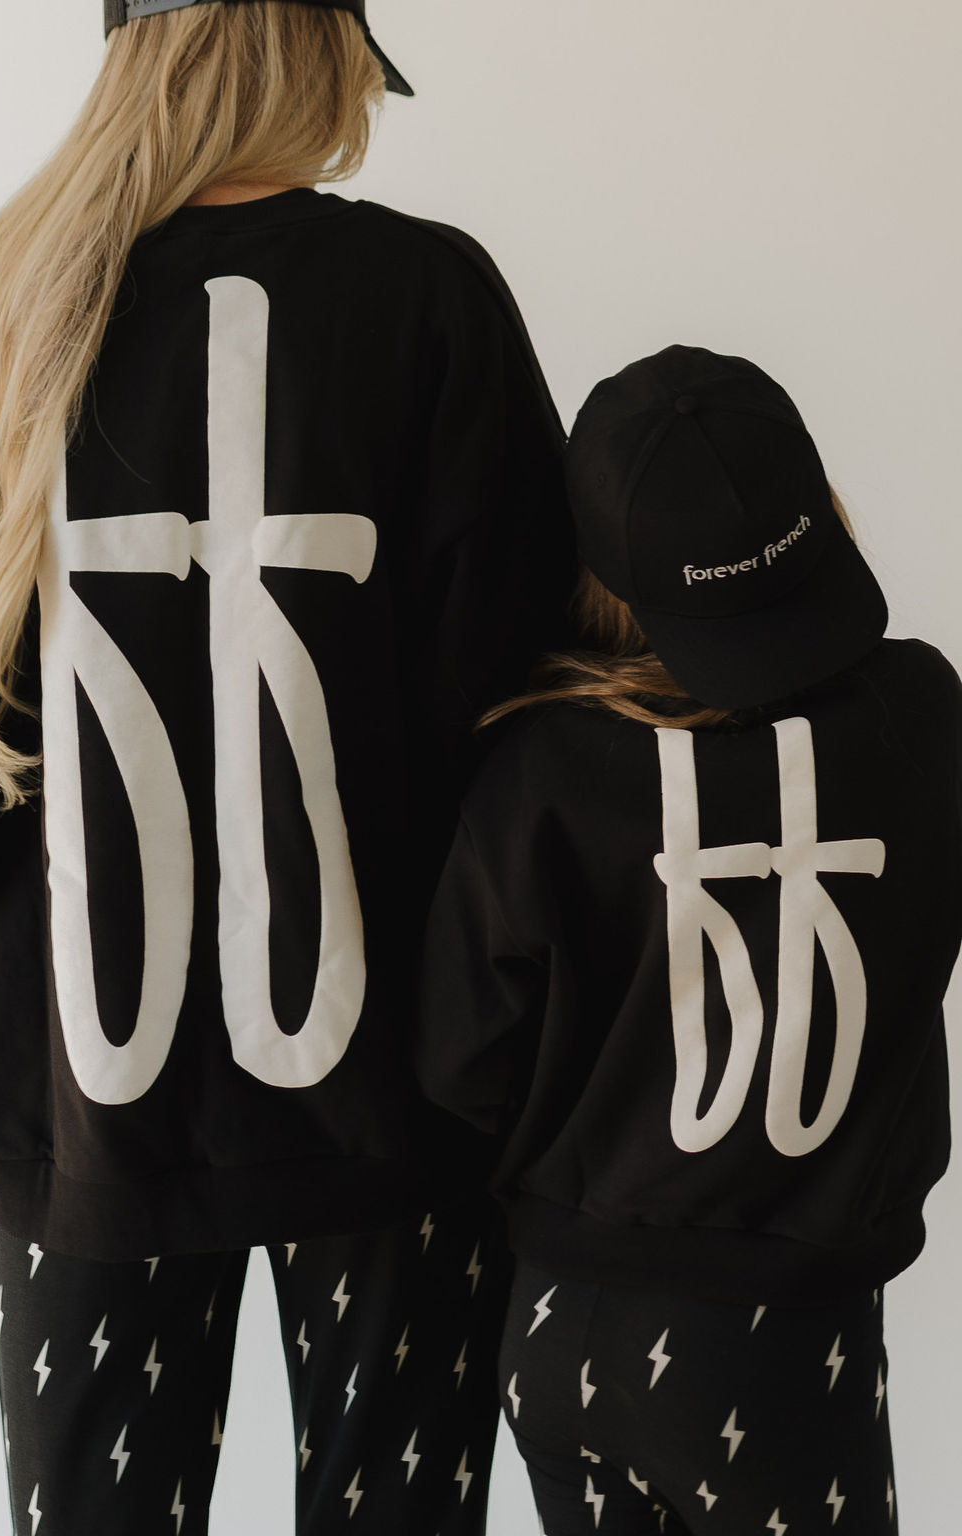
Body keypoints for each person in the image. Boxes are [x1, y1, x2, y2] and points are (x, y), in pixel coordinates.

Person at [0, 4, 575, 1533]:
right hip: (401, 1104)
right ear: (312, 43)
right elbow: (524, 727)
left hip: (75, 1102)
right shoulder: (427, 299)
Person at [418, 344, 962, 1536]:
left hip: (559, 1328)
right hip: (781, 1351)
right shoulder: (921, 719)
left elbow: (460, 1064)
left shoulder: (538, 767)